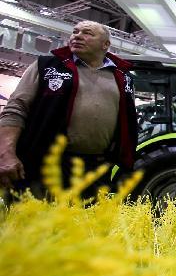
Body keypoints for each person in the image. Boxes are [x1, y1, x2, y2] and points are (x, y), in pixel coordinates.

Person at [0, 21, 138, 197]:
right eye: (75, 31)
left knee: (83, 222)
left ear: (105, 44)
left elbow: (127, 123)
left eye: (87, 33)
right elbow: (15, 109)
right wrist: (5, 153)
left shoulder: (123, 77)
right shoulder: (46, 66)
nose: (77, 36)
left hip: (96, 167)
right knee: (35, 221)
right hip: (43, 164)